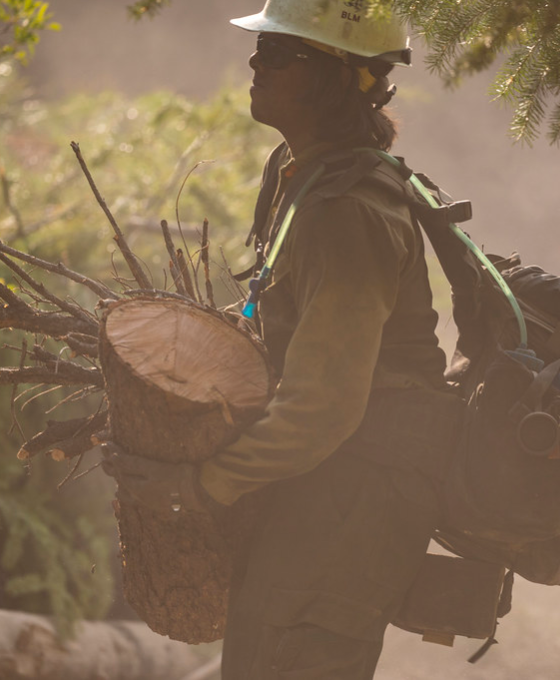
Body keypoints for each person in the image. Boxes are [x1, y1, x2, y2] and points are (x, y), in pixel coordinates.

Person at [104, 1, 461, 677]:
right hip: (331, 482)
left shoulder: (347, 211)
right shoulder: (307, 176)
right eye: (259, 48)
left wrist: (201, 485)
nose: (254, 62)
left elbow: (321, 409)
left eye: (277, 54)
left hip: (356, 491)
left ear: (334, 77)